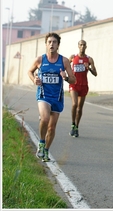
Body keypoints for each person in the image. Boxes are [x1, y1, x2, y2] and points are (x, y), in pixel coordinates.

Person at [27, 32, 76, 162]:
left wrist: (65, 77)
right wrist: (34, 80)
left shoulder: (64, 61)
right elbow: (29, 71)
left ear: (58, 45)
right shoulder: (40, 60)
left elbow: (73, 80)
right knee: (45, 118)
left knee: (52, 127)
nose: (51, 44)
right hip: (43, 95)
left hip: (57, 97)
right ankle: (41, 143)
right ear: (46, 44)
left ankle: (46, 150)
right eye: (49, 42)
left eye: (54, 42)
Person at [68, 40, 97, 137]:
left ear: (86, 46)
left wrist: (88, 68)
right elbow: (65, 67)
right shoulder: (73, 57)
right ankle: (72, 124)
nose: (82, 46)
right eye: (81, 45)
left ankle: (76, 127)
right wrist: (66, 76)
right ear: (78, 46)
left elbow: (95, 73)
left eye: (84, 45)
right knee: (74, 104)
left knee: (79, 108)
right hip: (74, 85)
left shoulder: (89, 59)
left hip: (83, 85)